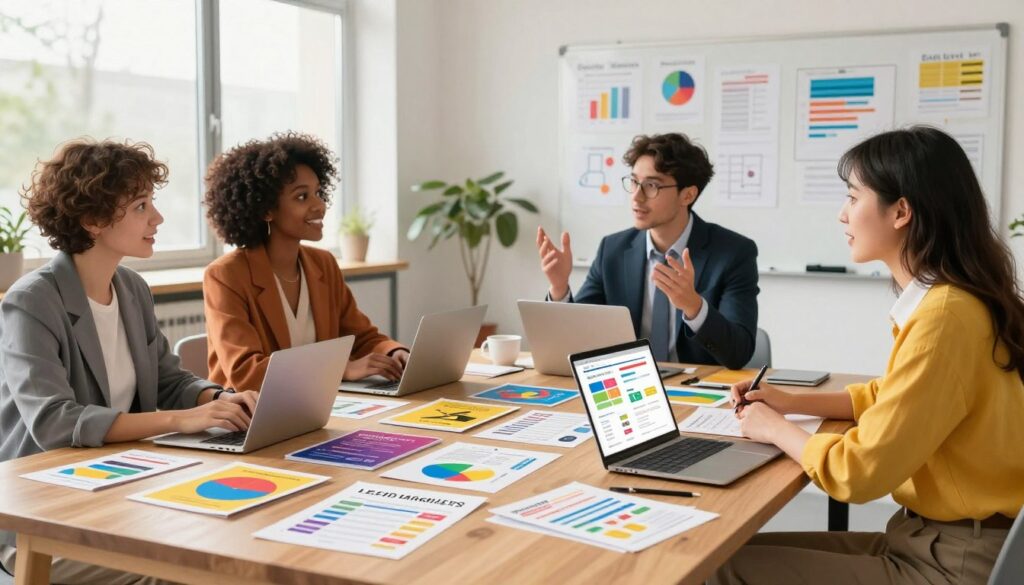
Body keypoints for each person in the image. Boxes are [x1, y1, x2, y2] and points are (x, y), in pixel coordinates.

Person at [713, 126, 1024, 585]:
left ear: (901, 211)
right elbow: (892, 395)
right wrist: (790, 401)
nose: (843, 215)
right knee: (727, 556)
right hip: (932, 539)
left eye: (853, 198)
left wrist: (773, 428)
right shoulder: (954, 299)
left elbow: (857, 473)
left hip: (954, 562)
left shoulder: (945, 316)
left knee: (725, 569)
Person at [0, 138, 257, 584]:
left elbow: (167, 379)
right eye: (141, 206)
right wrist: (182, 420)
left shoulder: (132, 288)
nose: (157, 217)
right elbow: (56, 423)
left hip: (119, 488)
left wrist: (223, 399)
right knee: (179, 573)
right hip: (42, 514)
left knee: (234, 548)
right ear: (94, 219)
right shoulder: (32, 300)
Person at [202, 132, 407, 392]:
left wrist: (395, 353)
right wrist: (341, 369)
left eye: (318, 193)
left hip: (319, 405)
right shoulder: (226, 275)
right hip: (251, 415)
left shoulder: (323, 264)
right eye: (302, 197)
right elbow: (247, 372)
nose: (320, 205)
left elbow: (362, 338)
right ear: (265, 209)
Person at [536, 133, 759, 368]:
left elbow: (739, 353)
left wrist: (694, 305)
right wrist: (560, 288)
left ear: (688, 195)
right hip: (630, 386)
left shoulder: (734, 253)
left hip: (696, 390)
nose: (636, 196)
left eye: (652, 185)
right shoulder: (612, 250)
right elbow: (579, 334)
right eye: (633, 182)